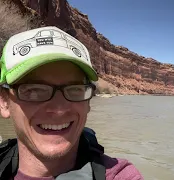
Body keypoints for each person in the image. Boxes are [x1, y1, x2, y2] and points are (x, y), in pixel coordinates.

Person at [0, 26, 143, 179]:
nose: (59, 109)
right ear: (4, 102)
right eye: (34, 91)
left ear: (88, 102)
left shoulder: (119, 175)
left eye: (75, 90)